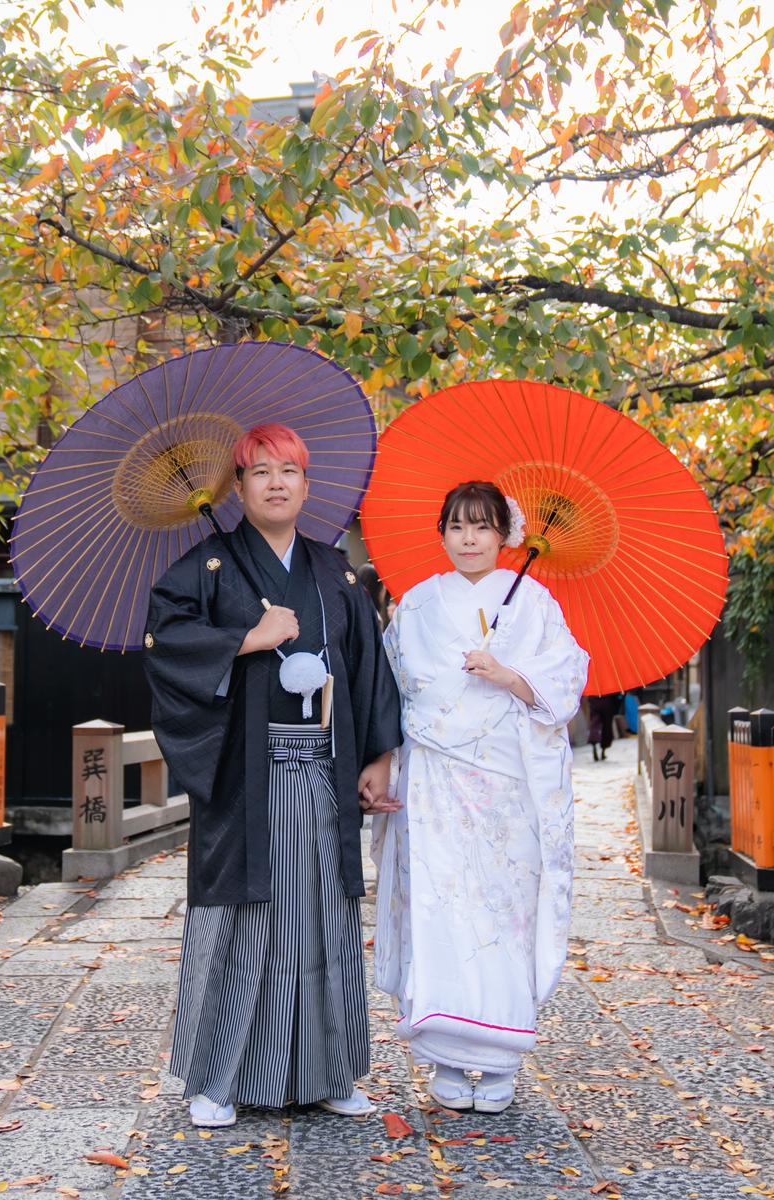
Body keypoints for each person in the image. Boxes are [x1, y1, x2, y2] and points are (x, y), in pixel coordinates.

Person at [143, 423, 402, 1129]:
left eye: (289, 470)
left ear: (307, 485)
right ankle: (216, 1080)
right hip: (246, 778)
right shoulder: (207, 567)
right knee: (241, 920)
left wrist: (377, 756)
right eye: (260, 471)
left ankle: (328, 1072)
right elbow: (165, 643)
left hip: (322, 772)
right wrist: (244, 639)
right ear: (239, 487)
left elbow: (368, 666)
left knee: (321, 920)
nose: (276, 482)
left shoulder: (333, 571)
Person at [370, 481, 588, 1114]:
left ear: (504, 535)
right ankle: (444, 1053)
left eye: (482, 527)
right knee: (439, 908)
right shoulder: (416, 603)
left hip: (505, 787)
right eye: (457, 527)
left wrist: (509, 675)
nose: (469, 539)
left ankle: (499, 1062)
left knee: (501, 914)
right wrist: (383, 761)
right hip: (435, 780)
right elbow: (391, 686)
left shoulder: (534, 603)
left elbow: (567, 676)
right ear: (441, 533)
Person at [586, 692, 621, 761]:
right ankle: (603, 751)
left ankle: (594, 744)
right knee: (607, 726)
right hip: (607, 701)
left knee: (594, 725)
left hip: (594, 701)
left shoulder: (592, 685)